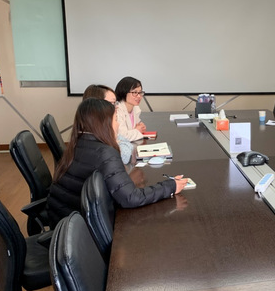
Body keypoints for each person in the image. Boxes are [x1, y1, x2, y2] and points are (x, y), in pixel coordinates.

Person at [46, 98, 188, 227]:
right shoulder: (105, 153)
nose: (118, 124)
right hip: (83, 231)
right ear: (103, 124)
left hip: (63, 222)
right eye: (115, 119)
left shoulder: (76, 144)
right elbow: (131, 198)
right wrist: (170, 186)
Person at [83, 84, 134, 164]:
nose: (116, 107)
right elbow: (125, 156)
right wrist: (119, 142)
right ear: (97, 105)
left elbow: (126, 142)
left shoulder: (100, 127)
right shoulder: (93, 136)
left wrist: (120, 142)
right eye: (112, 103)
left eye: (115, 103)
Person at [115, 76, 147, 141]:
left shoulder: (135, 108)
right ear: (124, 92)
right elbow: (122, 137)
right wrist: (137, 130)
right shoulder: (117, 110)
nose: (139, 96)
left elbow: (135, 129)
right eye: (135, 92)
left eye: (140, 92)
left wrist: (141, 127)